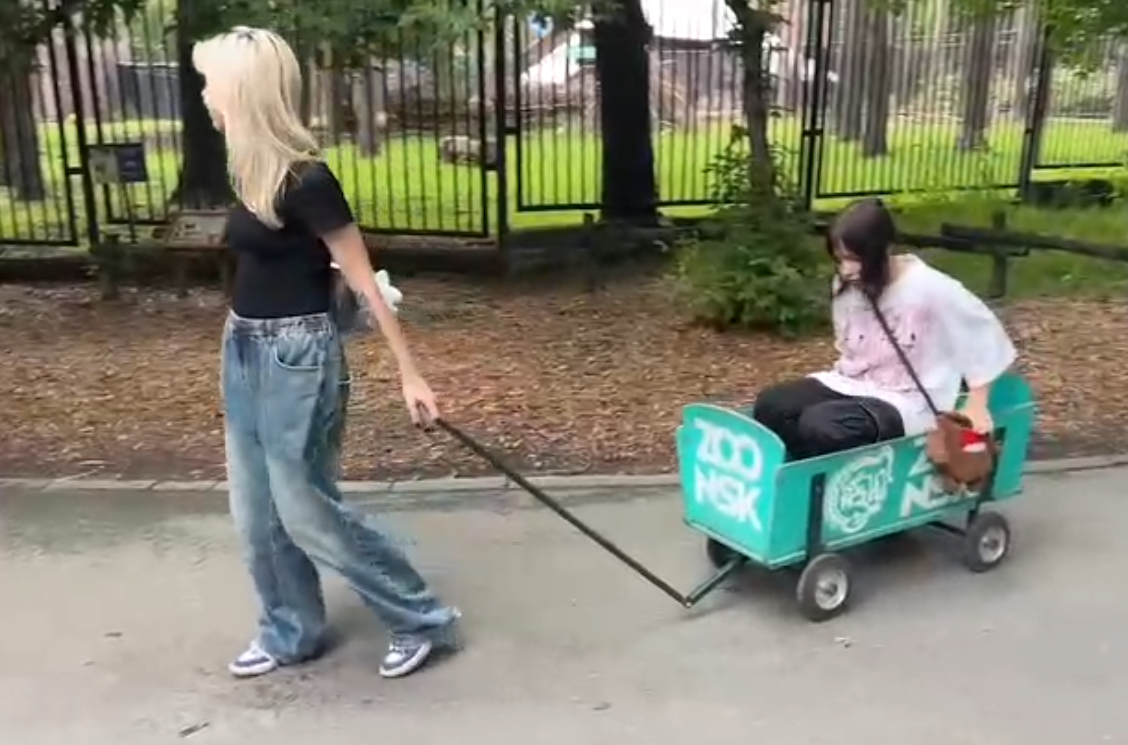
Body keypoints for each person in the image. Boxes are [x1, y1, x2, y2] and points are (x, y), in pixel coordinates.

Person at [192, 26, 460, 681]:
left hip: (298, 358)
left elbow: (363, 281)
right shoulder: (247, 169)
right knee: (255, 512)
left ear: (243, 90)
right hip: (244, 348)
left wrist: (410, 374)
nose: (204, 94)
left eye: (211, 81)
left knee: (304, 510)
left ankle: (421, 618)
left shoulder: (308, 179)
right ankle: (289, 630)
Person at [752, 198, 1016, 460]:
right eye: (840, 260)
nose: (846, 271)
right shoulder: (846, 286)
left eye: (855, 259)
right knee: (773, 406)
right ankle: (808, 474)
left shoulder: (931, 287)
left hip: (910, 400)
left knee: (824, 424)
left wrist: (977, 404)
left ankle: (852, 477)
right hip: (855, 383)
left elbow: (983, 334)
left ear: (885, 249)